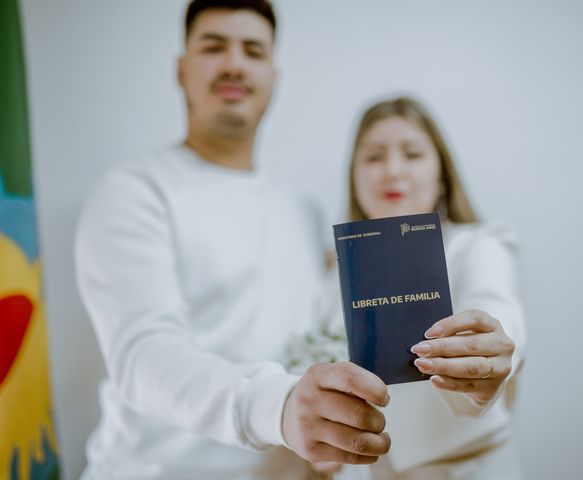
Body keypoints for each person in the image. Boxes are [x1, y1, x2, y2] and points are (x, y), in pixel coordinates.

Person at [75, 2, 391, 479]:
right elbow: (143, 355)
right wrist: (278, 405)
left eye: (253, 50)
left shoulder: (303, 212)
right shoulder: (135, 191)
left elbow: (307, 343)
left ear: (273, 75)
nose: (234, 64)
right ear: (181, 69)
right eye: (213, 46)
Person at [286, 97, 526, 479]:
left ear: (442, 175)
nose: (392, 170)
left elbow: (498, 309)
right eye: (374, 157)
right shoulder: (331, 282)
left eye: (412, 154)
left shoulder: (478, 247)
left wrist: (489, 361)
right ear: (354, 177)